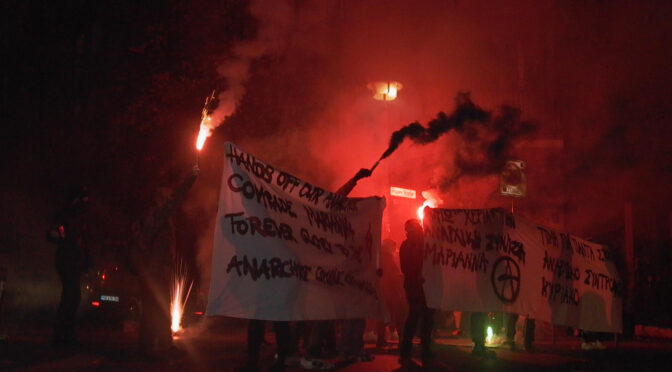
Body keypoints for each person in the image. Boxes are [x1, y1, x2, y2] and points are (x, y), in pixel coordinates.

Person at [302, 168, 373, 369]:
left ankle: (342, 348)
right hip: (321, 273)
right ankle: (312, 351)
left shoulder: (329, 218)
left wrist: (354, 179)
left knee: (341, 311)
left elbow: (336, 199)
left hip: (336, 272)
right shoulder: (312, 219)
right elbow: (334, 200)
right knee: (323, 313)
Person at [129, 165, 198, 359]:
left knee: (157, 309)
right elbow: (175, 200)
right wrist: (190, 179)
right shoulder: (157, 215)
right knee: (154, 310)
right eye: (164, 197)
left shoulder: (152, 216)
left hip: (153, 271)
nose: (167, 199)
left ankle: (156, 346)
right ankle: (152, 348)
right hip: (153, 271)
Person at [48, 187, 92, 347]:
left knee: (72, 297)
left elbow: (82, 242)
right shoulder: (66, 216)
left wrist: (86, 259)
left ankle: (65, 334)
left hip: (72, 261)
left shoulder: (79, 219)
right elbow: (54, 234)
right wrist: (64, 239)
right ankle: (62, 335)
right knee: (70, 297)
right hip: (67, 260)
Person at [398, 218, 434, 367]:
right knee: (418, 317)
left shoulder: (423, 243)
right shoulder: (410, 245)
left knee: (422, 318)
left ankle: (414, 351)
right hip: (416, 286)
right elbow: (406, 267)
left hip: (421, 286)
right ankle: (414, 350)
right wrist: (417, 276)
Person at [376, 239, 404, 349]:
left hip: (383, 290)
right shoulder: (387, 258)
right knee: (397, 315)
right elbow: (392, 275)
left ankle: (381, 338)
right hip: (390, 291)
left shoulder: (380, 257)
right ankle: (400, 339)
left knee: (384, 315)